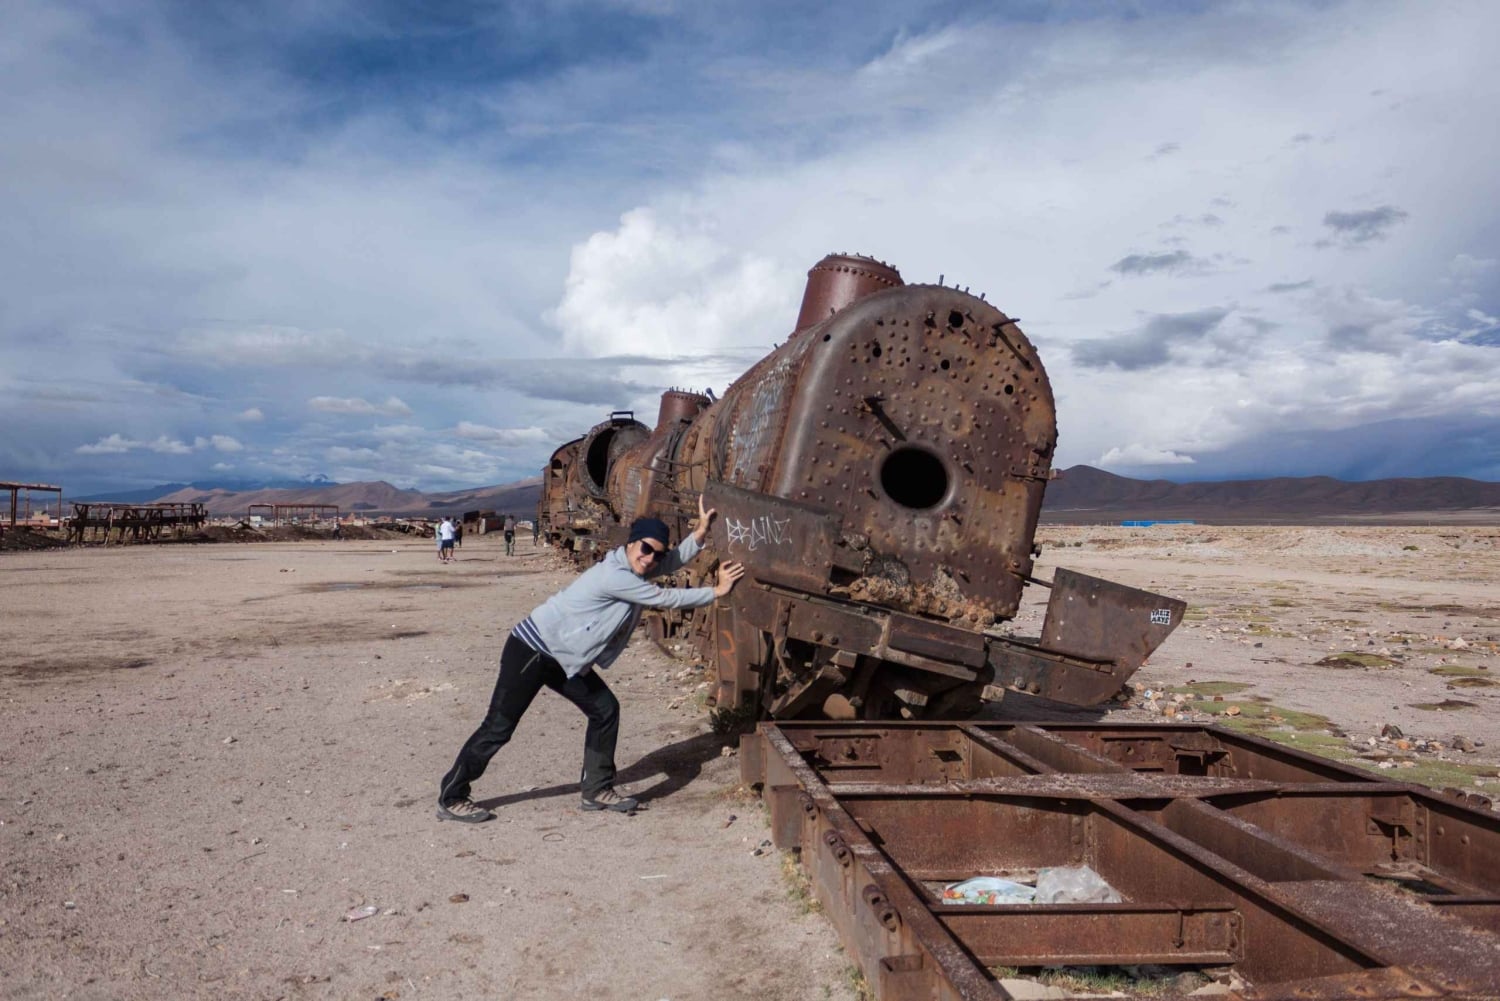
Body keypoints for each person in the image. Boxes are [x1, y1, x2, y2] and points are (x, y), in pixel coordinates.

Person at [436, 496, 744, 822]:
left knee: (605, 709)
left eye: (657, 552)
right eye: (645, 549)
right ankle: (452, 796)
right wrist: (717, 591)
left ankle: (597, 789)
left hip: (563, 658)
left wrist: (700, 532)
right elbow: (665, 596)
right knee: (499, 727)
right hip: (532, 650)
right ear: (631, 544)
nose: (651, 558)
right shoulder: (616, 576)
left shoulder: (634, 567)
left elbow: (671, 562)